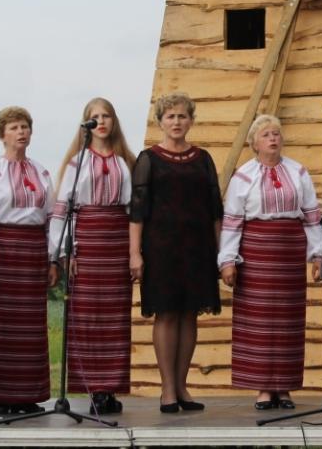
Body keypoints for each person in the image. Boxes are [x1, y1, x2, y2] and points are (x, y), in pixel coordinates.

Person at [219, 114, 322, 411]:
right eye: (266, 135)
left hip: (289, 253)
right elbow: (232, 222)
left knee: (288, 320)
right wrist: (228, 261)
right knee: (259, 321)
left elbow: (311, 217)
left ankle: (285, 386)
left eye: (276, 133)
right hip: (256, 253)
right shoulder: (243, 177)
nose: (273, 138)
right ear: (254, 143)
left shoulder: (298, 171)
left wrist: (318, 255)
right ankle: (264, 387)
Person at [130, 92, 222, 414]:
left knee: (189, 314)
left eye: (182, 116)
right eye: (170, 116)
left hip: (198, 247)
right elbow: (137, 211)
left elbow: (215, 209)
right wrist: (135, 253)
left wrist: (220, 252)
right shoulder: (148, 159)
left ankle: (182, 385)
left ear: (191, 121)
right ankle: (167, 388)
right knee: (167, 313)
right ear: (160, 121)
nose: (177, 122)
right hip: (161, 248)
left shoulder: (203, 158)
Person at [48, 98, 136, 415]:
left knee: (115, 318)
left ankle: (109, 388)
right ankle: (93, 387)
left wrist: (135, 251)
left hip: (117, 243)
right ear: (86, 123)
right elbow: (63, 209)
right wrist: (63, 252)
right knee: (88, 316)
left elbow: (134, 210)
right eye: (94, 117)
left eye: (106, 115)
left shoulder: (126, 161)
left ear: (114, 121)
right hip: (86, 243)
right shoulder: (77, 162)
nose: (101, 121)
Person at [0, 106, 54, 416]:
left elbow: (51, 219)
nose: (21, 132)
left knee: (30, 329)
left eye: (25, 126)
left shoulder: (42, 173)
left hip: (32, 256)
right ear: (2, 134)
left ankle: (28, 395)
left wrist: (53, 260)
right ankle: (0, 396)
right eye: (15, 127)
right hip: (1, 254)